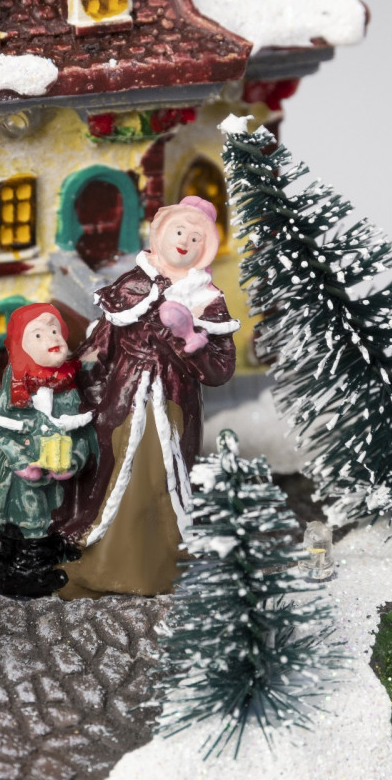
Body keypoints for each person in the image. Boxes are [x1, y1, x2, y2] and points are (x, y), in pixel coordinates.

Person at [53, 196, 238, 597]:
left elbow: (220, 370)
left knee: (159, 476)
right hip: (122, 396)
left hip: (172, 403)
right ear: (161, 234)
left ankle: (154, 567)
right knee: (112, 468)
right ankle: (104, 561)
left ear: (206, 247)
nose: (184, 241)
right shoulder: (132, 284)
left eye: (196, 237)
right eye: (179, 231)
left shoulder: (207, 299)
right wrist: (67, 374)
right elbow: (102, 342)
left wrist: (190, 340)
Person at [0, 303, 97, 598]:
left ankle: (42, 563)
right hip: (17, 481)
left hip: (54, 485)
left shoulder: (68, 389)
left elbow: (83, 434)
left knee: (49, 524)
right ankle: (14, 566)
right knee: (18, 521)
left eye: (55, 330)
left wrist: (73, 461)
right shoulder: (14, 388)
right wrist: (20, 460)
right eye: (38, 335)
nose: (52, 338)